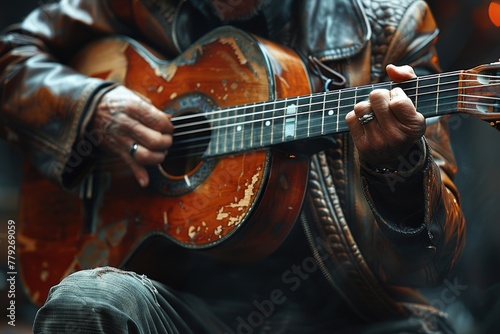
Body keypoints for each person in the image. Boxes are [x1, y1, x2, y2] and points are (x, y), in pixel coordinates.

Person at [0, 0, 466, 333]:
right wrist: (90, 109)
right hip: (181, 308)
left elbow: (435, 263)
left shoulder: (391, 24)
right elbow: (12, 59)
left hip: (347, 314)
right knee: (87, 303)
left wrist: (398, 168)